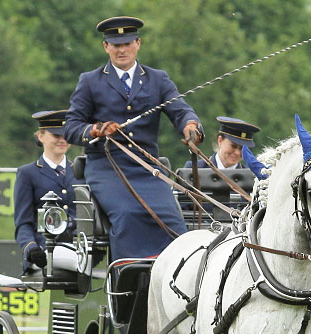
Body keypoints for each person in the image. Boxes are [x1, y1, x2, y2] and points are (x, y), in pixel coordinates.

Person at [64, 15, 203, 260]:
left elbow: (180, 109)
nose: (122, 50)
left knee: (170, 218)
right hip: (106, 168)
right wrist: (96, 130)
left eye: (127, 44)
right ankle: (125, 284)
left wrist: (190, 126)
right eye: (116, 45)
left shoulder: (158, 79)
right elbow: (71, 127)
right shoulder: (90, 81)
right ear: (106, 47)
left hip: (147, 168)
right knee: (127, 215)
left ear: (138, 44)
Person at [14, 110, 76, 273]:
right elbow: (23, 223)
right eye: (56, 135)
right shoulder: (28, 173)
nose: (62, 140)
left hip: (80, 246)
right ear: (41, 136)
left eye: (66, 135)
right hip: (46, 249)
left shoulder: (80, 171)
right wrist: (31, 248)